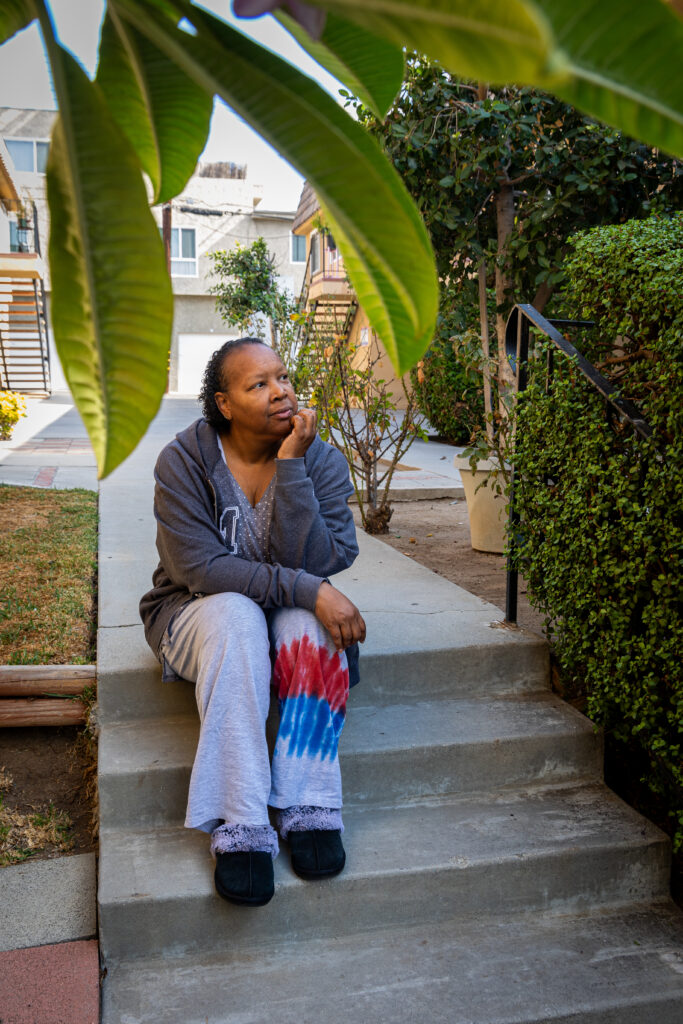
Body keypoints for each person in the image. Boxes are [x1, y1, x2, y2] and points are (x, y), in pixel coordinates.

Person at [139, 337, 366, 908]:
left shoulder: (321, 459)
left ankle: (309, 803)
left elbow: (326, 559)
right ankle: (240, 821)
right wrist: (309, 590)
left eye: (282, 377)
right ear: (224, 403)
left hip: (281, 613)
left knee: (307, 624)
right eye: (258, 384)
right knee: (243, 615)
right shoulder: (184, 461)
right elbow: (199, 568)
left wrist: (291, 467)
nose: (280, 391)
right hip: (195, 613)